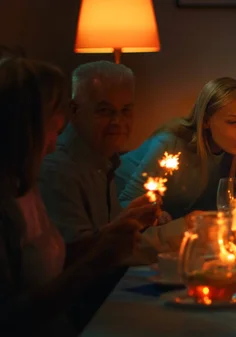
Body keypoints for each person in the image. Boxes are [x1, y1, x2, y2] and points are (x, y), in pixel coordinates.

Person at [0, 57, 150, 336]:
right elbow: (10, 320)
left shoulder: (26, 183)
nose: (55, 143)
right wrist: (98, 259)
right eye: (51, 127)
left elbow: (60, 257)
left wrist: (120, 227)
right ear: (18, 125)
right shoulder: (51, 173)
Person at [38, 60, 168, 330]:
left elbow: (101, 235)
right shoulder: (57, 169)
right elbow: (74, 260)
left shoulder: (102, 158)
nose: (117, 122)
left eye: (126, 110)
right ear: (74, 110)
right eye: (105, 111)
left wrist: (131, 218)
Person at [116, 77, 236, 218]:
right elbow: (125, 204)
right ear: (205, 121)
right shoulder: (170, 144)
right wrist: (155, 216)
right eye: (233, 122)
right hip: (108, 206)